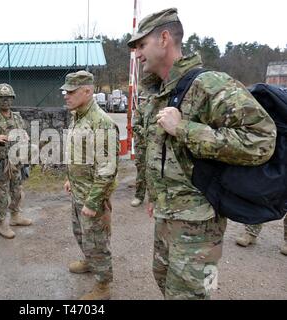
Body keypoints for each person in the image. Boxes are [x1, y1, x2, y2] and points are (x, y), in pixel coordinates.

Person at [127, 8, 277, 299]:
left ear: (165, 38)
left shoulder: (209, 84)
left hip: (199, 221)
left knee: (190, 295)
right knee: (164, 282)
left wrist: (184, 129)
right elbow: (157, 151)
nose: (137, 54)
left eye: (141, 45)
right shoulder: (158, 91)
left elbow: (262, 139)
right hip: (166, 214)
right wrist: (155, 195)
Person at [62, 70, 119, 300]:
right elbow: (80, 154)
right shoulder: (78, 115)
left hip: (92, 197)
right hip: (78, 190)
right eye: (65, 91)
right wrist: (70, 178)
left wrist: (94, 202)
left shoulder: (101, 123)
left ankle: (103, 286)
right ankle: (88, 261)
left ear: (87, 91)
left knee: (97, 242)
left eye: (71, 91)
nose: (66, 95)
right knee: (80, 233)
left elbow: (107, 170)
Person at [0, 83, 32, 239]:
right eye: (2, 98)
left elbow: (23, 132)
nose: (5, 101)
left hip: (17, 161)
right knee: (1, 195)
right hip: (0, 164)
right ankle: (2, 223)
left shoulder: (17, 117)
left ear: (12, 99)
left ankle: (15, 217)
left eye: (8, 98)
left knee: (17, 191)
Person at [130, 73, 160, 207]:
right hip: (142, 145)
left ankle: (154, 199)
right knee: (141, 171)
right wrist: (146, 133)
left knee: (156, 171)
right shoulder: (141, 108)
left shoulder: (160, 108)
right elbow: (135, 125)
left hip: (156, 145)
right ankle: (139, 196)